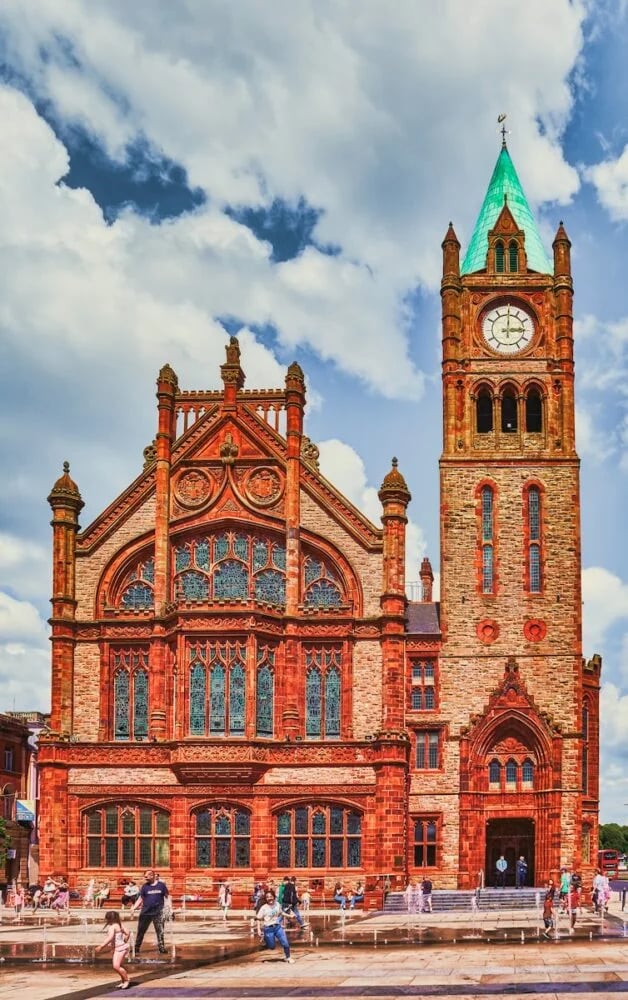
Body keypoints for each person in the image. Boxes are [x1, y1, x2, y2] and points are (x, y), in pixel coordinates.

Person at [131, 869, 168, 955]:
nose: (145, 878)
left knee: (160, 930)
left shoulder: (161, 885)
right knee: (141, 930)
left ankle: (161, 948)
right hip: (146, 912)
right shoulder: (144, 886)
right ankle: (136, 948)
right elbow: (141, 898)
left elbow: (167, 897)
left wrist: (169, 907)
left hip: (158, 912)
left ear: (152, 876)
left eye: (146, 876)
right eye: (145, 877)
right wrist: (134, 908)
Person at [256, 888, 294, 963]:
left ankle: (288, 957)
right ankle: (266, 939)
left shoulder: (277, 904)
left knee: (285, 943)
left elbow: (281, 913)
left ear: (274, 896)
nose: (269, 898)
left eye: (270, 896)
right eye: (267, 897)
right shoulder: (264, 908)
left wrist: (289, 916)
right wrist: (258, 929)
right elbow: (258, 918)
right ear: (266, 899)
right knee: (272, 947)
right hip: (268, 929)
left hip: (277, 927)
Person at [95, 910, 131, 990]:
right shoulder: (119, 925)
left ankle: (126, 980)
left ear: (109, 919)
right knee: (119, 965)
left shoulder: (112, 927)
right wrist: (125, 939)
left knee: (116, 966)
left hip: (120, 949)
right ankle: (123, 981)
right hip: (122, 947)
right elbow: (128, 932)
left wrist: (101, 946)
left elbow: (110, 938)